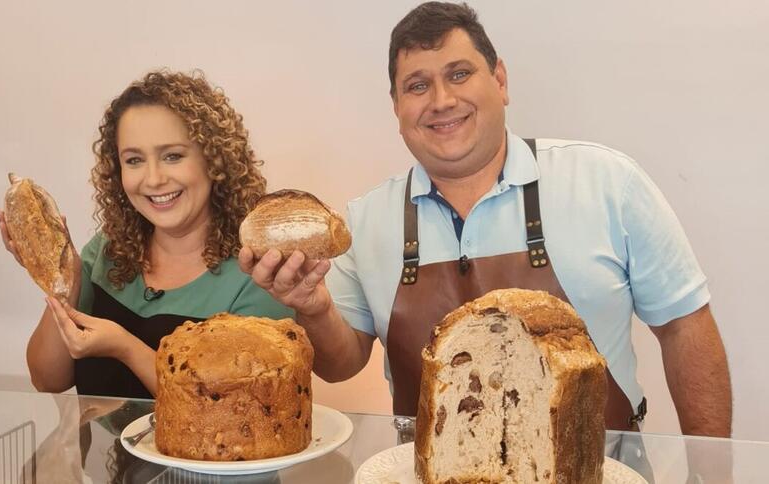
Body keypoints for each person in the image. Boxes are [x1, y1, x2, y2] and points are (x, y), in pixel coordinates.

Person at [241, 2, 731, 438]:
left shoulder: (606, 182)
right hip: (431, 475)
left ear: (499, 80)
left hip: (599, 472)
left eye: (459, 74)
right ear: (396, 106)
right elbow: (340, 364)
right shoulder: (366, 220)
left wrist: (712, 472)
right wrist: (314, 308)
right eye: (417, 85)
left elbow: (684, 325)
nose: (441, 101)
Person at [0, 70, 292, 399]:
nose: (153, 179)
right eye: (134, 160)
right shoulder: (107, 251)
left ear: (214, 160)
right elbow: (47, 379)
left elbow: (237, 408)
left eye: (172, 156)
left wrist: (124, 347)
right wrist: (63, 279)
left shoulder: (259, 272)